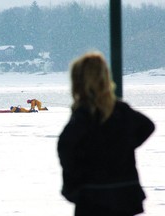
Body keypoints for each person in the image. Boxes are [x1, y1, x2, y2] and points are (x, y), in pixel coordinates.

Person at [57, 51, 155, 216]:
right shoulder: (121, 112)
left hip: (92, 197)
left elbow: (66, 148)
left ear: (77, 83)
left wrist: (75, 183)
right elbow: (146, 126)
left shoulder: (84, 116)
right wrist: (123, 146)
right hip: (124, 195)